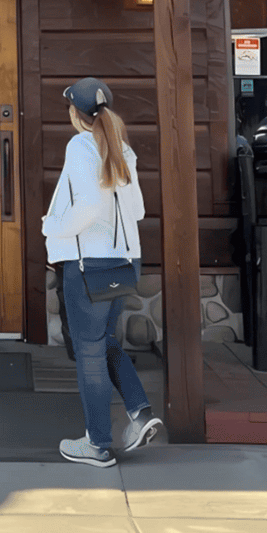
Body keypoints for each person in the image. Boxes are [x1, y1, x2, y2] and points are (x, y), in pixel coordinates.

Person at [41, 77, 164, 466]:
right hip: (123, 262)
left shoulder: (80, 146)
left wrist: (51, 226)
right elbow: (138, 211)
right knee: (102, 341)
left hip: (89, 265)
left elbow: (90, 208)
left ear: (75, 114)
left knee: (89, 353)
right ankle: (140, 413)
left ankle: (96, 445)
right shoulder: (121, 148)